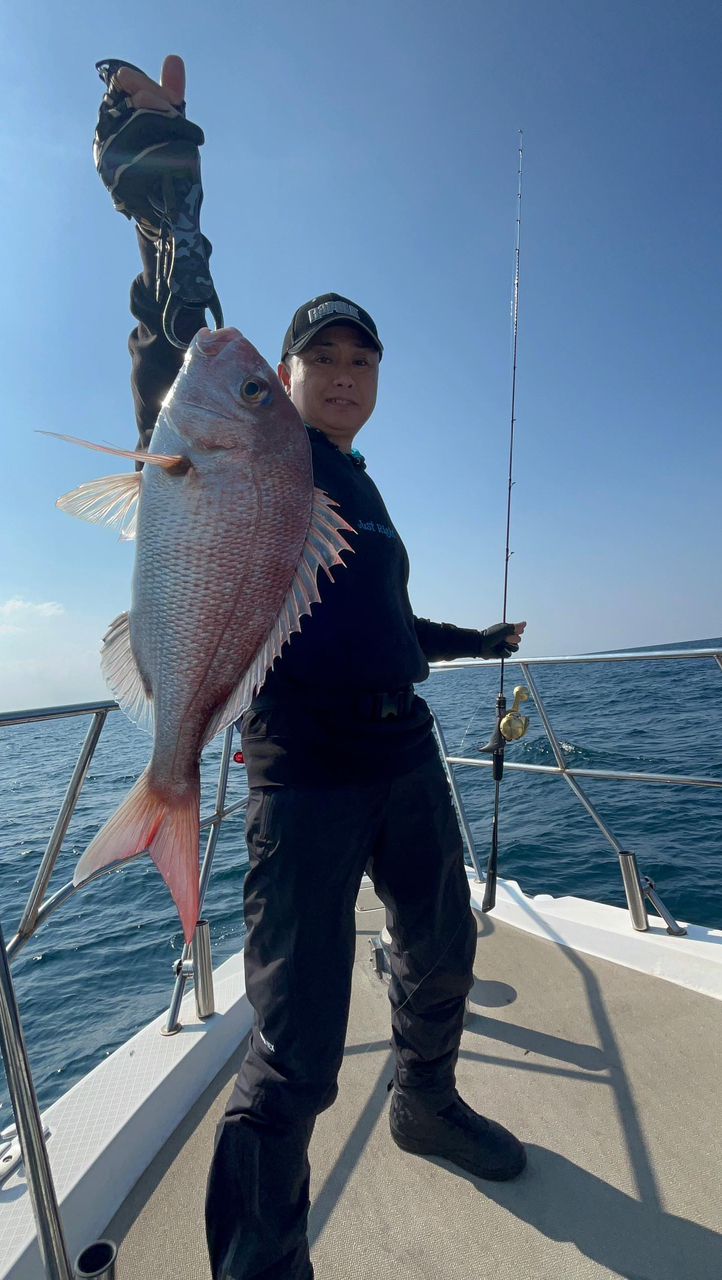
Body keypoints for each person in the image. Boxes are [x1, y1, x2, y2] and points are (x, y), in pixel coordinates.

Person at [99, 56, 528, 1280]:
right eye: (318, 356)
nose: (341, 370)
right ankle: (257, 1261)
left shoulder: (362, 495)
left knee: (442, 944)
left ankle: (427, 1100)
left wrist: (467, 645)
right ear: (279, 380)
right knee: (292, 1045)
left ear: (377, 381)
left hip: (402, 748)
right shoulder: (255, 451)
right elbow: (183, 330)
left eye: (361, 358)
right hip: (302, 769)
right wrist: (159, 164)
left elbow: (383, 616)